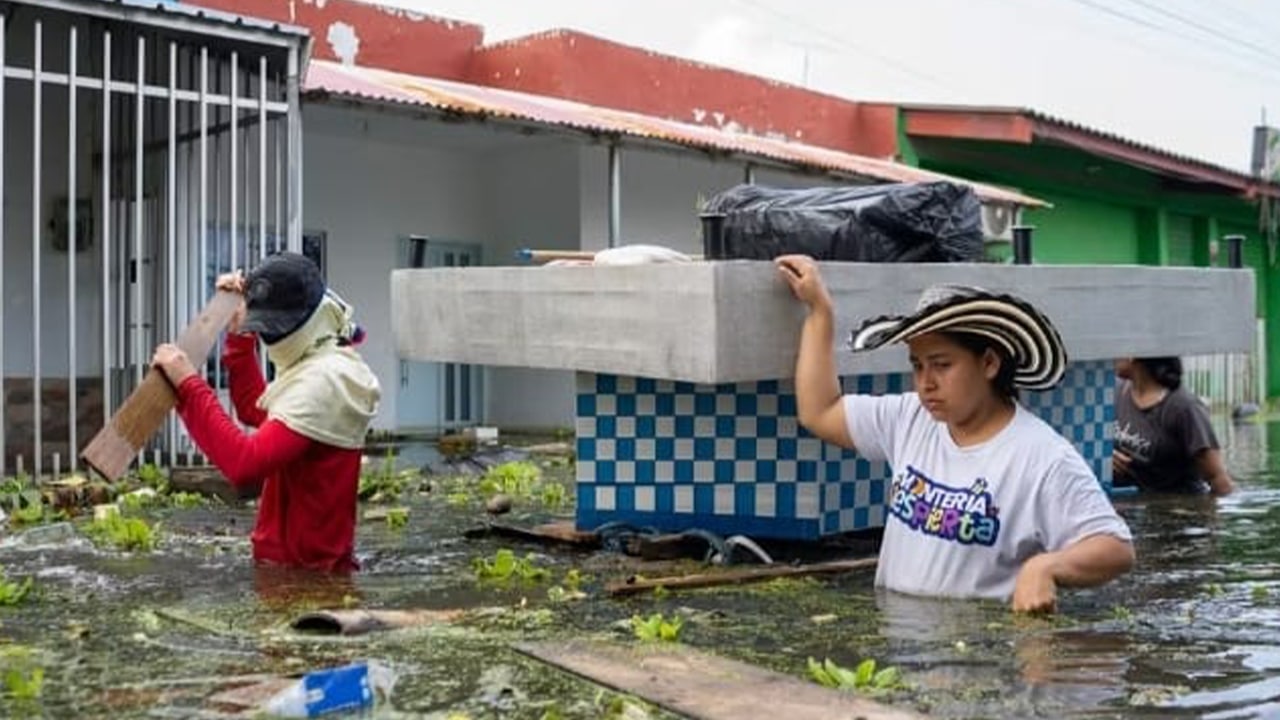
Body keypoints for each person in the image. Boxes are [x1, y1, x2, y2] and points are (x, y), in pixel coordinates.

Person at [776, 255, 1134, 613]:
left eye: (942, 365)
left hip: (981, 653)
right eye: (917, 366)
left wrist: (1045, 566)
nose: (926, 383)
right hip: (901, 646)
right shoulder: (909, 419)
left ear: (989, 363)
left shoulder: (1041, 457)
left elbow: (1115, 546)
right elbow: (819, 411)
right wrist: (820, 312)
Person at [151, 252, 381, 572]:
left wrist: (189, 385)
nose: (270, 337)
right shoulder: (316, 361)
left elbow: (246, 464)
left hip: (310, 576)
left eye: (272, 328)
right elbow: (254, 409)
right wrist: (240, 335)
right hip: (291, 567)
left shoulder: (328, 378)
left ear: (306, 320)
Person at [1113, 357, 1233, 496]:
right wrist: (1105, 458)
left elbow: (1218, 479)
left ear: (1134, 356)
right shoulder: (1113, 393)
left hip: (1175, 509)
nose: (1113, 356)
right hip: (1128, 507)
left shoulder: (1184, 408)